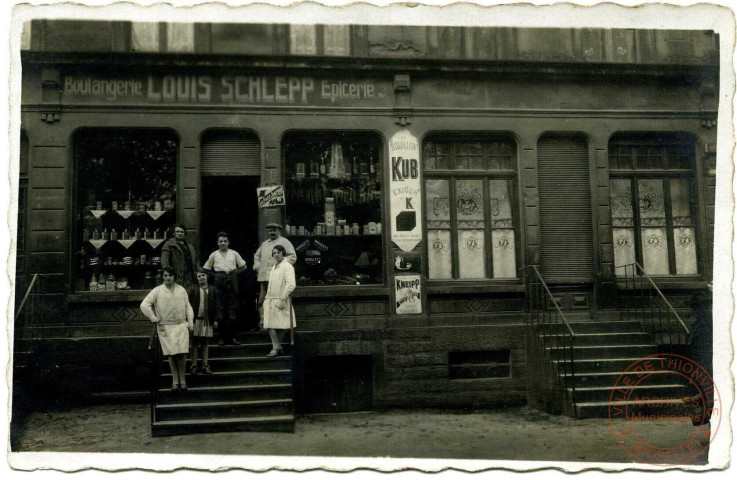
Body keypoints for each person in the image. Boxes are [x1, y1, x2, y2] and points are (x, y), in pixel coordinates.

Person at [140, 267, 194, 391]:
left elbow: (188, 307)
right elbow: (144, 305)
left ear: (174, 277)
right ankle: (175, 380)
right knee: (171, 354)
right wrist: (153, 317)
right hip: (166, 326)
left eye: (170, 275)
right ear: (162, 277)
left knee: (182, 353)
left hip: (181, 325)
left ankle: (183, 379)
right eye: (165, 276)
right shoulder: (157, 290)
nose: (167, 278)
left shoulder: (181, 290)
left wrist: (190, 323)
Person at [203, 231, 247, 345]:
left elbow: (244, 267)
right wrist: (216, 275)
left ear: (228, 242)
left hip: (232, 281)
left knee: (232, 308)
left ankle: (233, 337)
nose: (223, 243)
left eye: (225, 241)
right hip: (219, 281)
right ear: (217, 243)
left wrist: (233, 273)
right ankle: (222, 337)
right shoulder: (214, 254)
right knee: (220, 308)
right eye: (220, 241)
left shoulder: (234, 253)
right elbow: (206, 269)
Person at [254, 223, 296, 329]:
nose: (272, 232)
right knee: (262, 301)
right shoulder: (265, 244)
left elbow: (292, 256)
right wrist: (258, 267)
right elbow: (257, 255)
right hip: (264, 277)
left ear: (279, 231)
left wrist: (280, 265)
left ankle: (275, 324)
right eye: (270, 231)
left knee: (276, 301)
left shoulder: (285, 242)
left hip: (278, 278)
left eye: (274, 230)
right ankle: (263, 322)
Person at [263, 244, 296, 357]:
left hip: (281, 299)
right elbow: (271, 284)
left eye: (278, 252)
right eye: (274, 253)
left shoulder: (287, 266)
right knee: (268, 324)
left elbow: (291, 284)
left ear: (283, 253)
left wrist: (283, 298)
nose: (276, 255)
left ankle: (275, 347)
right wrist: (267, 298)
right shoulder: (274, 267)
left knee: (281, 325)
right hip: (271, 299)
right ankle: (277, 346)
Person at [189, 268, 218, 375]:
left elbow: (216, 305)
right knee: (195, 342)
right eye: (199, 276)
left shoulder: (213, 289)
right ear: (196, 278)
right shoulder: (193, 289)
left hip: (207, 320)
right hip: (196, 319)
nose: (201, 278)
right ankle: (193, 365)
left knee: (205, 342)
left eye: (203, 275)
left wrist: (215, 319)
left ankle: (205, 364)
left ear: (207, 277)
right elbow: (187, 304)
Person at [161, 224, 198, 303]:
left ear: (184, 233)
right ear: (174, 233)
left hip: (189, 278)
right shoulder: (169, 244)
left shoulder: (189, 246)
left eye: (182, 232)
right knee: (177, 300)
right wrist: (168, 275)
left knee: (188, 300)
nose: (180, 233)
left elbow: (194, 262)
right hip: (176, 277)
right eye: (177, 231)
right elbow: (164, 261)